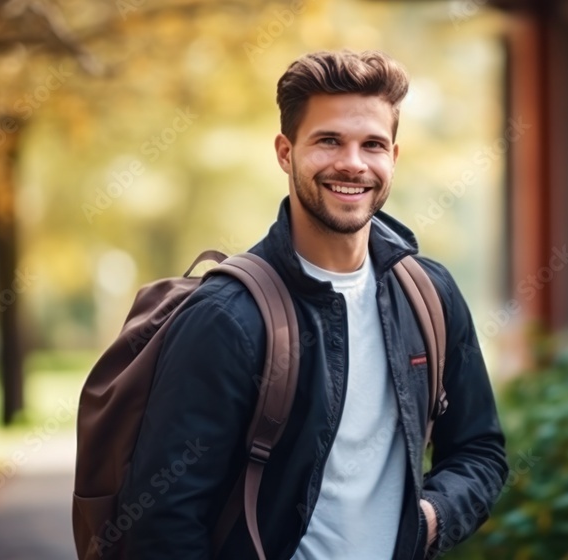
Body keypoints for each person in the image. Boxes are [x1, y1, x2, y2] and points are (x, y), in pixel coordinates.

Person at [120, 49, 508, 560]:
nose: (352, 162)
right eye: (329, 141)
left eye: (372, 144)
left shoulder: (430, 296)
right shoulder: (227, 318)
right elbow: (163, 520)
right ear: (285, 152)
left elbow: (480, 450)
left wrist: (429, 519)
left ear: (394, 156)